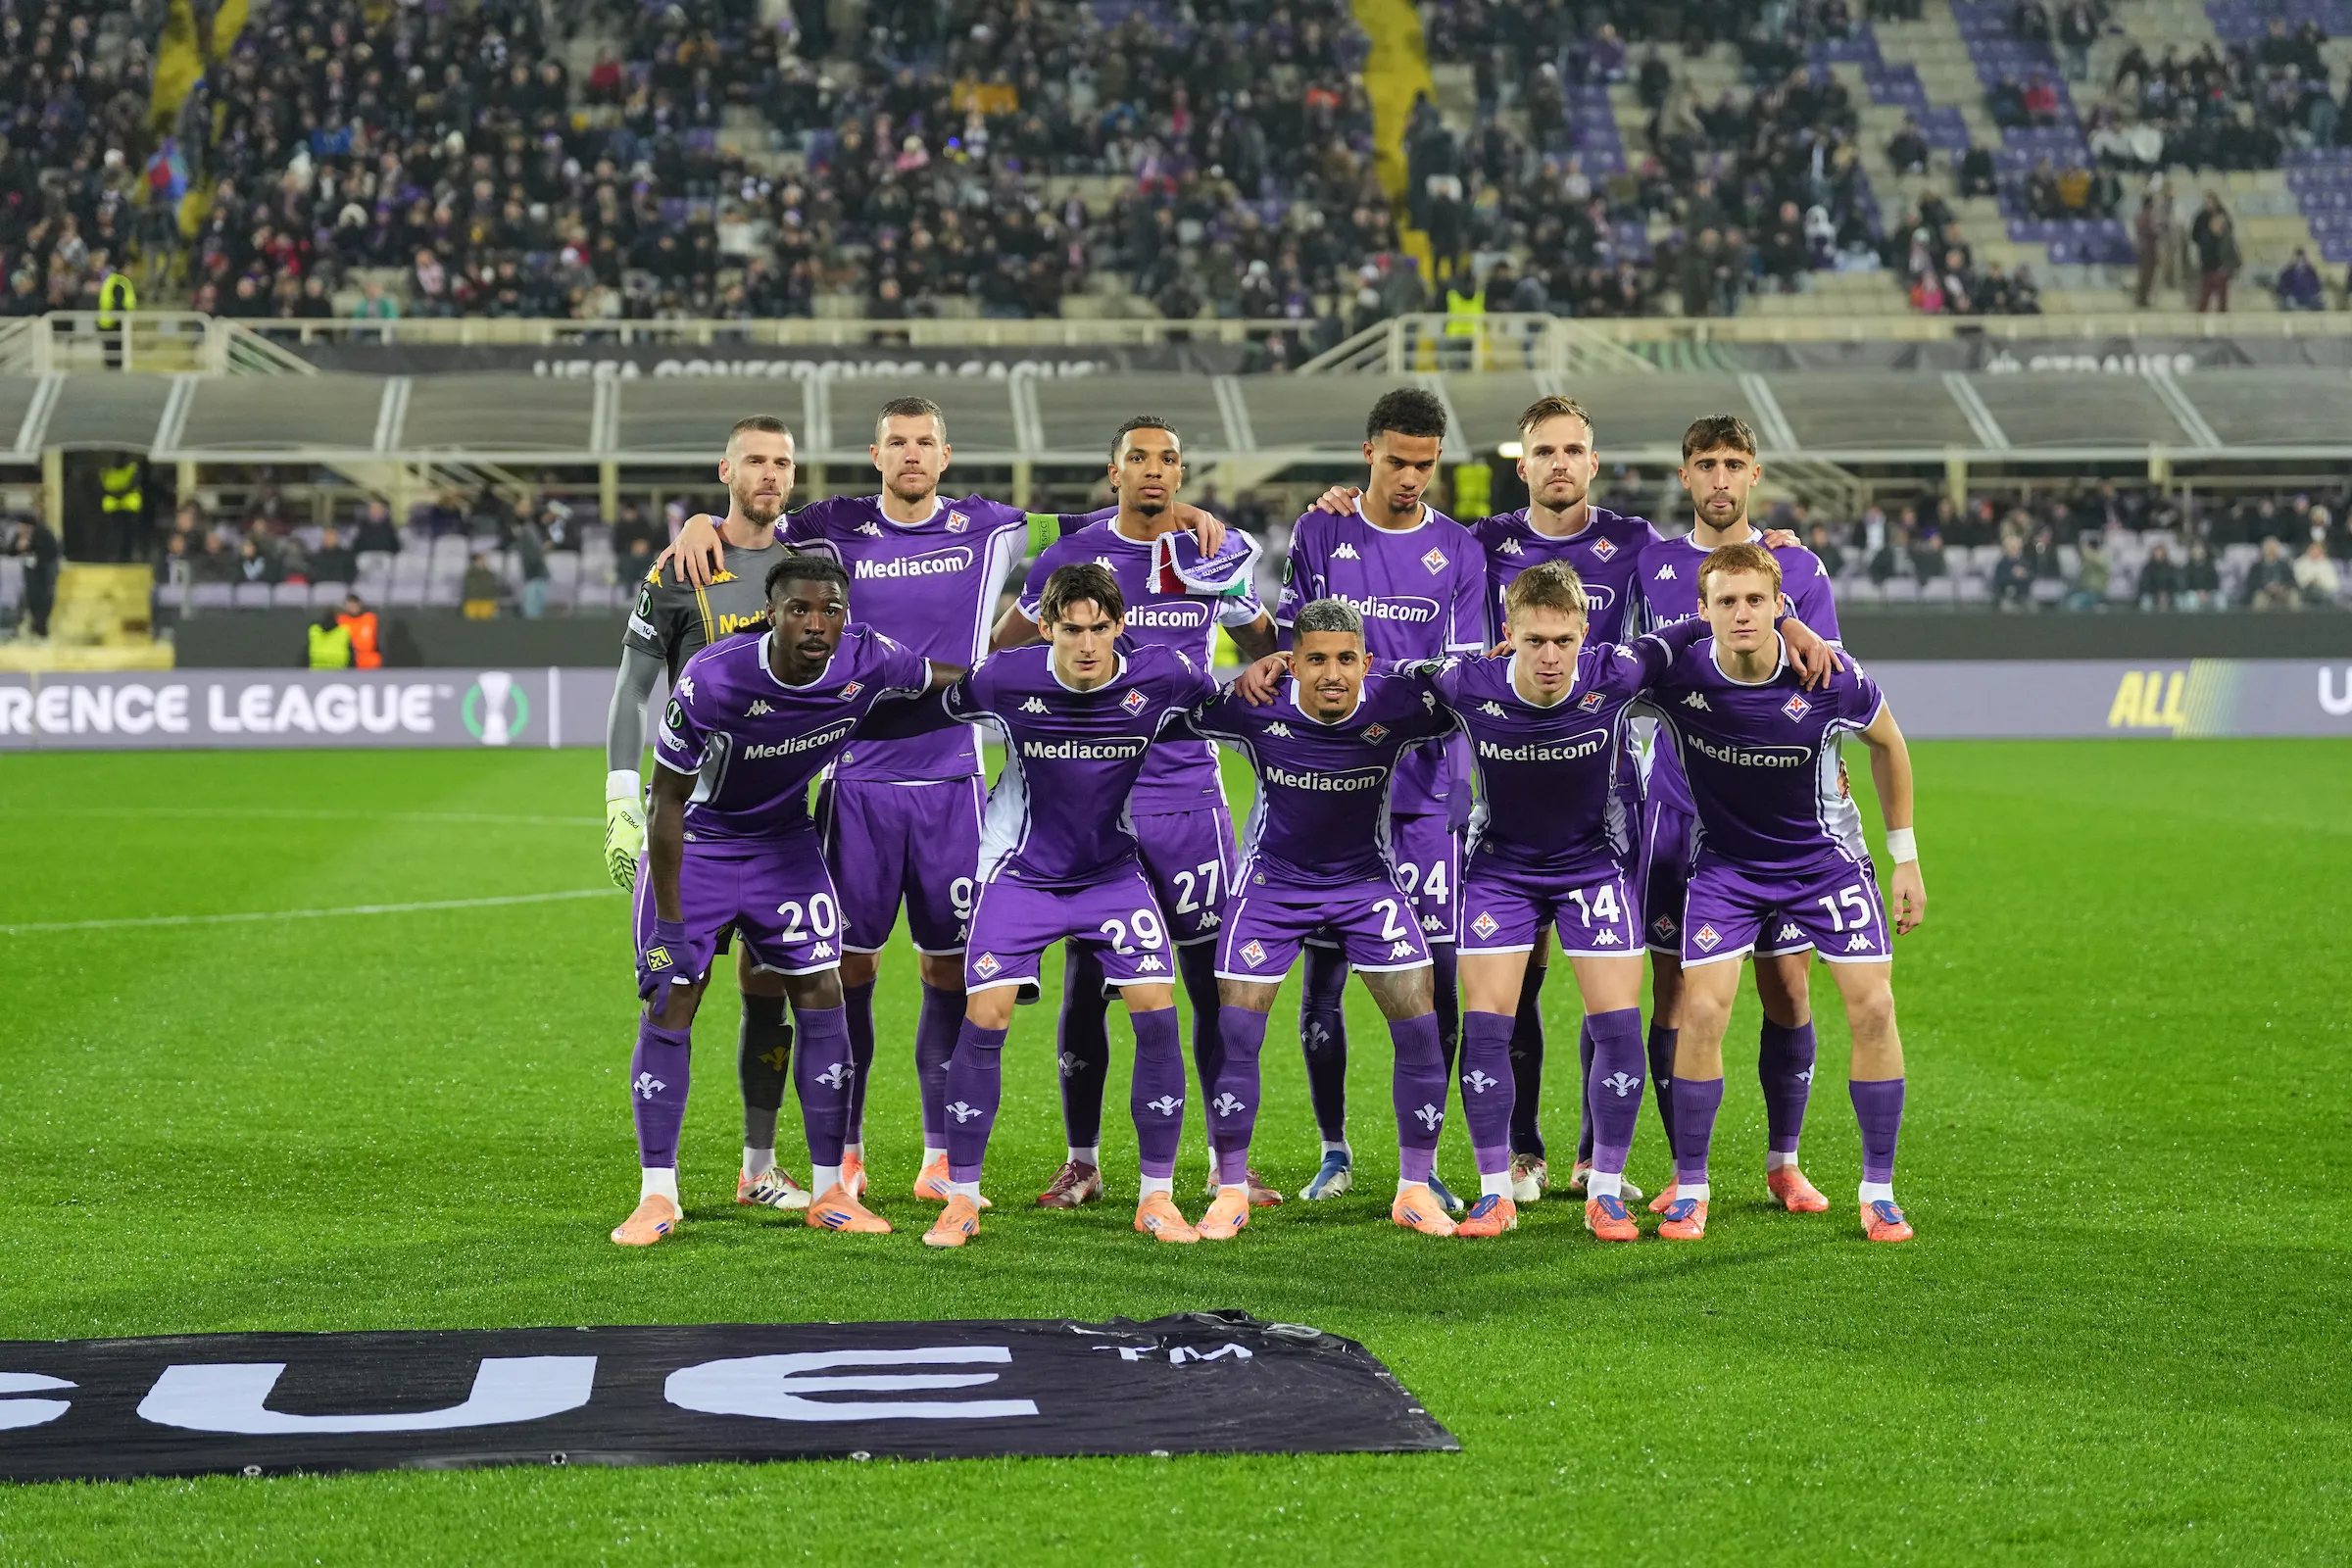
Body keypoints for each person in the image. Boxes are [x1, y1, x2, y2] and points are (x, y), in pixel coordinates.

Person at [661, 400, 1226, 1208]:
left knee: (948, 971)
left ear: (945, 455)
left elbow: (1092, 521)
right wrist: (698, 524)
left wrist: (1182, 512)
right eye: (897, 443)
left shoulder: (990, 526)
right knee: (845, 970)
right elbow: (755, 521)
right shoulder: (831, 526)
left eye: (924, 442)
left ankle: (936, 1156)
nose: (911, 454)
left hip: (954, 783)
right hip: (856, 782)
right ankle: (847, 1152)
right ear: (876, 455)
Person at [612, 554, 961, 1248]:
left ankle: (830, 1190)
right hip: (700, 843)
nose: (816, 623)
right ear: (771, 614)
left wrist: (1023, 680)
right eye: (799, 609)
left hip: (784, 845)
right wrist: (671, 924)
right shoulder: (712, 678)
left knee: (823, 992)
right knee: (672, 997)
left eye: (831, 610)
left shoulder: (866, 655)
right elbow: (667, 803)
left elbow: (945, 680)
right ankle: (657, 1195)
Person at [996, 418, 1280, 1210]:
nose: (1155, 471)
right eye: (1138, 458)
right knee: (1087, 981)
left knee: (1211, 980)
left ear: (1182, 473)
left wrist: (1250, 643)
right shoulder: (1072, 555)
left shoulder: (1211, 554)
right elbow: (1005, 653)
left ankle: (1228, 1161)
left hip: (1188, 797)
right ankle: (1082, 1161)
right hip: (1092, 800)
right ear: (1113, 471)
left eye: (1168, 459)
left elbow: (1266, 646)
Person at [907, 564, 1224, 1250]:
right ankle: (960, 1199)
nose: (1086, 644)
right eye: (1071, 630)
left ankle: (1156, 1198)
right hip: (1020, 873)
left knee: (1158, 1012)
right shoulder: (1006, 677)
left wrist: (1270, 674)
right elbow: (928, 705)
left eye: (1099, 629)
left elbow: (1229, 710)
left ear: (1120, 626)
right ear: (1046, 627)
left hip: (1111, 872)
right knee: (985, 1018)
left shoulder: (1162, 676)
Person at [1641, 542, 1925, 1244]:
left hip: (1823, 864)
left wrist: (1905, 858)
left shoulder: (1827, 674)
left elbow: (1889, 743)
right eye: (1726, 602)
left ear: (1779, 606)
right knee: (1701, 1010)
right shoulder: (1677, 674)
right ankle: (1692, 1186)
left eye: (1755, 601)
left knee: (1874, 1008)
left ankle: (1879, 1191)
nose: (1742, 613)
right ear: (1703, 610)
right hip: (1728, 868)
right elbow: (1595, 679)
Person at [1273, 388, 1489, 1209]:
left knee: (1435, 985)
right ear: (1369, 453)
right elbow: (1293, 651)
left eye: (1425, 464)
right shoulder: (1320, 531)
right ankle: (1334, 1150)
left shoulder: (1459, 550)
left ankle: (1420, 1162)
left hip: (1428, 795)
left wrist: (1383, 688)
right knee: (1323, 984)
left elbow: (1462, 675)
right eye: (1397, 460)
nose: (1411, 477)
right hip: (1331, 793)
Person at [1631, 416, 1843, 1217]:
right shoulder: (1649, 565)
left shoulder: (1800, 569)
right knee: (1675, 992)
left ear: (1754, 474)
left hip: (1771, 817)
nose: (1719, 478)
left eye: (1733, 464)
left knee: (1787, 987)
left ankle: (1785, 1162)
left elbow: (1826, 685)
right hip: (1677, 807)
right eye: (1705, 464)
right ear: (1685, 475)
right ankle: (1684, 1169)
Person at [607, 416, 808, 1210]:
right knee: (674, 994)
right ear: (727, 471)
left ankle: (759, 1168)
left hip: (782, 824)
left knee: (774, 991)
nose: (770, 473)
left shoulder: (808, 570)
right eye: (755, 460)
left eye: (782, 461)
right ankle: (658, 1189)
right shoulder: (681, 568)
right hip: (689, 826)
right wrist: (620, 798)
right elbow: (632, 690)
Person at [5, 518, 59, 639]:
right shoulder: (20, 535)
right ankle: (35, 627)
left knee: (44, 598)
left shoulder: (42, 533)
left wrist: (29, 546)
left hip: (45, 569)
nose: (21, 529)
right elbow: (10, 551)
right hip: (31, 571)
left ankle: (41, 628)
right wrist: (18, 546)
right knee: (32, 598)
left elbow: (50, 551)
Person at [2191, 192, 2239, 314]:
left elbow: (2232, 255)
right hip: (2209, 268)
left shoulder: (2226, 239)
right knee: (2204, 298)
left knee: (2222, 299)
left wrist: (2227, 267)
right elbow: (2195, 236)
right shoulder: (2205, 234)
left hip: (2222, 270)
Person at [2243, 537, 2297, 610]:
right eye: (2270, 548)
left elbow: (2292, 580)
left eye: (2274, 548)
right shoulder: (2256, 566)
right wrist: (2266, 588)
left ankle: (2296, 617)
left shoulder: (2284, 565)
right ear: (2264, 550)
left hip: (2282, 591)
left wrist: (2282, 588)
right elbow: (2251, 583)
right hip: (2264, 591)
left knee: (2294, 595)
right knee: (2260, 597)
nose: (2272, 551)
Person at [337, 593, 382, 668]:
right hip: (350, 663)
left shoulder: (370, 618)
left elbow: (379, 640)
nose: (353, 607)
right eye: (350, 604)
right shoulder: (342, 620)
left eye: (355, 603)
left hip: (371, 663)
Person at [2295, 539, 2343, 608]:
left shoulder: (2327, 564)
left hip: (2324, 593)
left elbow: (2334, 584)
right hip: (2306, 592)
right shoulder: (2300, 563)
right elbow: (2299, 580)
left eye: (2317, 550)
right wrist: (2311, 581)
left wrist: (2320, 582)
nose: (2314, 551)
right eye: (2312, 549)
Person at [1991, 533, 2034, 609]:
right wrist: (2012, 574)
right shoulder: (2002, 563)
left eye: (2018, 548)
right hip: (2007, 593)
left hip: (2024, 594)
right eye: (2013, 548)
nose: (2016, 550)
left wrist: (2025, 574)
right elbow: (1998, 580)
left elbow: (2032, 575)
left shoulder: (2025, 561)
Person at [2136, 542, 2183, 610]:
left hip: (2169, 594)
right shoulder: (2148, 568)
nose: (2158, 554)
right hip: (2152, 594)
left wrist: (2166, 593)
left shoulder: (2171, 568)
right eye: (2157, 552)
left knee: (2180, 600)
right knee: (2146, 601)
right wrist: (2157, 593)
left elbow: (2175, 584)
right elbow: (2144, 584)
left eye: (2160, 552)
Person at [2181, 541, 2223, 611]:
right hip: (2194, 593)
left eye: (2200, 550)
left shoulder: (2210, 566)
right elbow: (2187, 584)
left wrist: (2206, 591)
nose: (2198, 552)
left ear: (2204, 552)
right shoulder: (2188, 567)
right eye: (2196, 550)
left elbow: (2215, 582)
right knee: (2191, 598)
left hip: (2209, 593)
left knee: (2220, 597)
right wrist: (2198, 592)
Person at [460, 553, 501, 618]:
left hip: (487, 602)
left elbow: (493, 589)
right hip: (472, 602)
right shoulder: (470, 574)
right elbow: (467, 589)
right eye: (478, 560)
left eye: (482, 559)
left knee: (486, 620)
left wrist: (495, 605)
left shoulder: (490, 574)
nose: (480, 562)